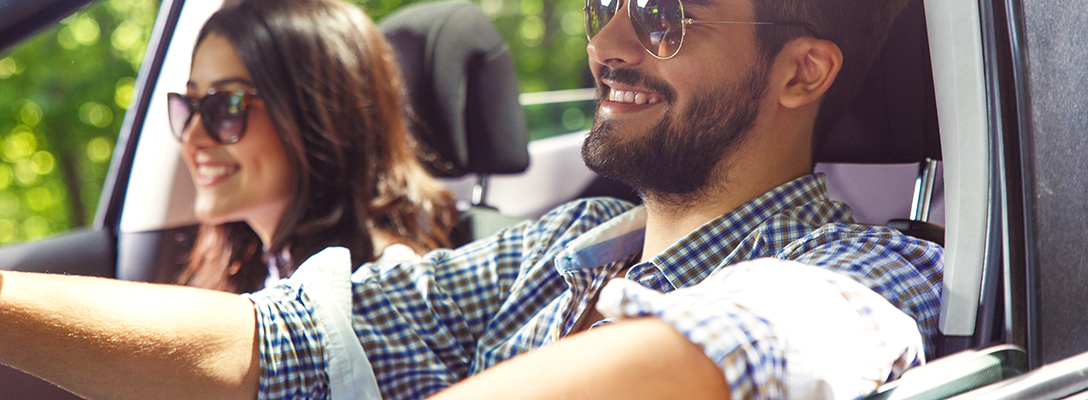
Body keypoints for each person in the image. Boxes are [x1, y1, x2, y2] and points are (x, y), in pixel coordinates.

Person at [0, 0, 941, 399]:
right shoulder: (559, 247)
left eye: (662, 14)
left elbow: (736, 347)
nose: (608, 40)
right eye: (604, 3)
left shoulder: (875, 267)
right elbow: (274, 344)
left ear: (801, 72)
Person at [166, 0, 457, 293]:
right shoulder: (260, 271)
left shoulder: (383, 286)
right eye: (189, 105)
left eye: (227, 106)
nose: (193, 136)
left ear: (318, 116)